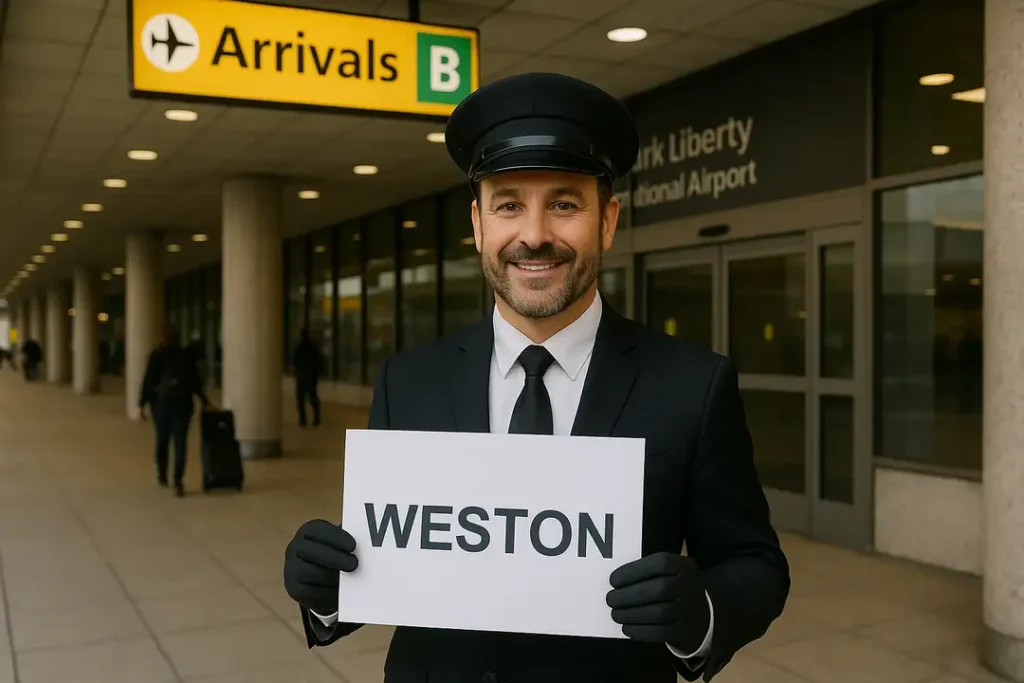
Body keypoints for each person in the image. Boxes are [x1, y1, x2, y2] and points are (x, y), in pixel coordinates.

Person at [282, 72, 790, 682]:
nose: (534, 235)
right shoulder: (408, 381)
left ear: (607, 220)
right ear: (478, 225)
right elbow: (395, 565)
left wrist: (701, 612)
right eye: (508, 205)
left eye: (565, 203)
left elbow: (753, 562)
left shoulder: (692, 385)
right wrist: (326, 592)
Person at [137, 324, 210, 497]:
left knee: (162, 441)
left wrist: (142, 404)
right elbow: (195, 381)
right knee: (180, 443)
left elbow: (148, 381)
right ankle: (178, 480)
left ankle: (162, 474)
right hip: (182, 406)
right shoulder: (185, 356)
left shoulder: (156, 356)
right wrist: (204, 400)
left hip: (161, 406)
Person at [292, 328, 323, 427]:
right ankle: (316, 418)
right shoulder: (312, 348)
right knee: (312, 397)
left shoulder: (300, 348)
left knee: (301, 399)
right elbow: (318, 362)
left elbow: (295, 362)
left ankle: (303, 419)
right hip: (310, 376)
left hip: (302, 376)